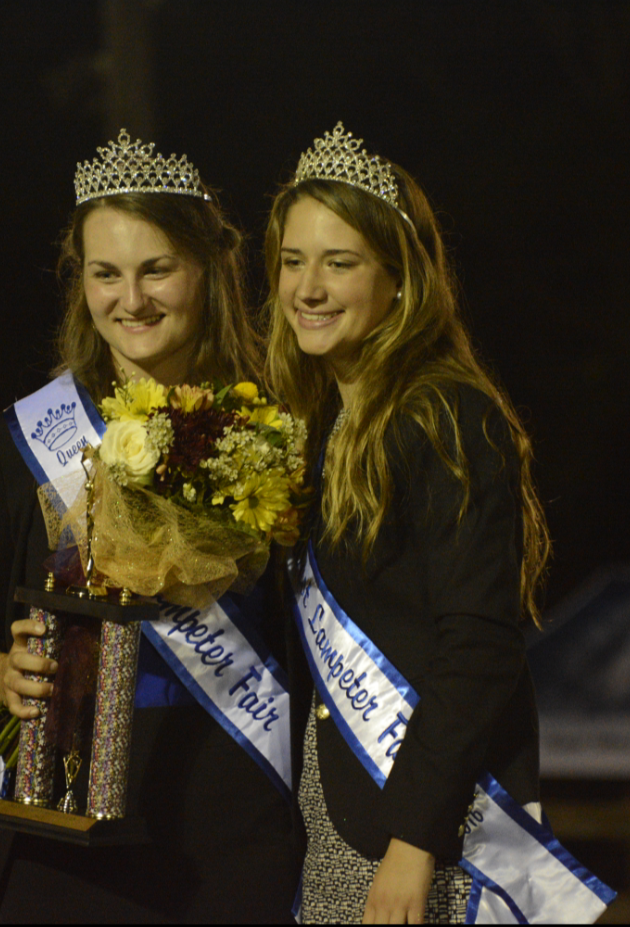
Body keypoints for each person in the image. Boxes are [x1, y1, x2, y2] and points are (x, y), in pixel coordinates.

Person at [0, 130, 298, 924]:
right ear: (81, 283)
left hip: (236, 835)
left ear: (206, 268)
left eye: (156, 268)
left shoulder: (275, 431)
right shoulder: (23, 438)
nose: (131, 300)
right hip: (65, 836)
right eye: (106, 274)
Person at [264, 123, 551, 924]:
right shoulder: (315, 422)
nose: (307, 289)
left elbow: (480, 646)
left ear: (399, 277)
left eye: (340, 262)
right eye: (293, 261)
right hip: (342, 823)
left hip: (435, 836)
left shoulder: (448, 418)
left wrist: (413, 844)